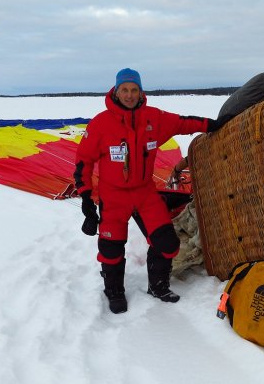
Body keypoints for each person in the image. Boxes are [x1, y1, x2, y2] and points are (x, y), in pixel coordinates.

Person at [74, 68, 224, 313]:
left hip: (144, 193)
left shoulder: (154, 118)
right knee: (110, 250)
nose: (130, 95)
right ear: (116, 91)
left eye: (134, 90)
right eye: (125, 90)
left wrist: (212, 125)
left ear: (140, 92)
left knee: (167, 243)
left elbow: (183, 123)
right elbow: (83, 161)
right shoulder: (100, 124)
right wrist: (86, 199)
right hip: (113, 196)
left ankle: (158, 286)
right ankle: (114, 291)